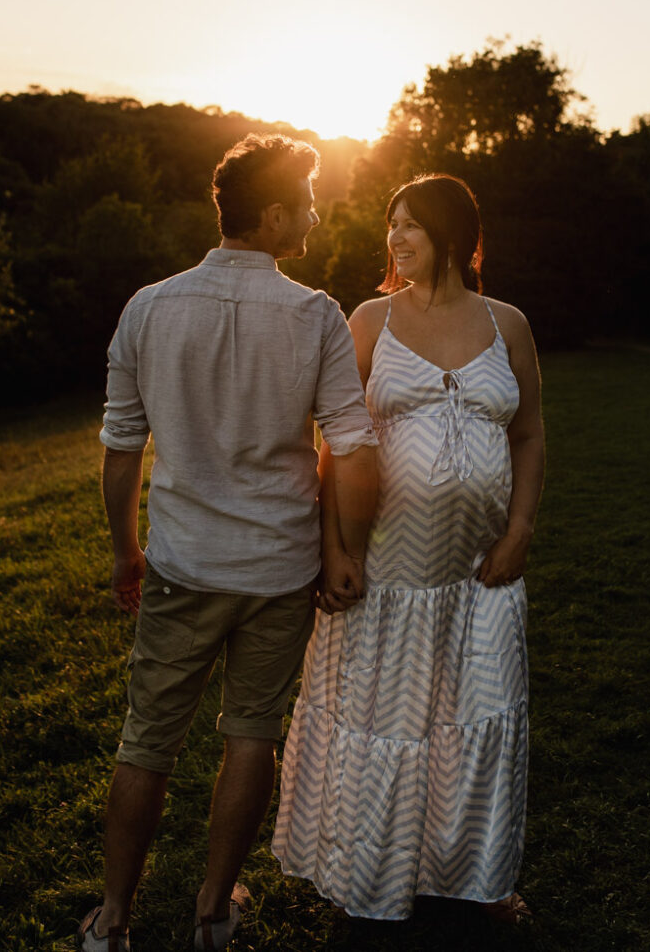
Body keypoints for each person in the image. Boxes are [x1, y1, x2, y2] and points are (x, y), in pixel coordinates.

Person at [77, 134, 378, 952]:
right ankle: (212, 913)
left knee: (147, 741)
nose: (315, 219)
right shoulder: (315, 315)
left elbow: (120, 446)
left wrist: (123, 550)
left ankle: (111, 922)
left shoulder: (148, 307)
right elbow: (350, 443)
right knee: (252, 733)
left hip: (182, 564)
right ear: (274, 213)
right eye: (308, 204)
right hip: (281, 570)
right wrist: (345, 547)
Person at [273, 173, 544, 924]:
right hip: (384, 574)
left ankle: (477, 880)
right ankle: (366, 875)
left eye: (411, 225)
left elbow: (526, 434)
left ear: (453, 233)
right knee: (382, 727)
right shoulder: (369, 320)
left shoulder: (508, 325)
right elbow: (333, 445)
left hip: (479, 576)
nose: (394, 238)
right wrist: (334, 550)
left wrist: (518, 531)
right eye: (390, 225)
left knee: (480, 725)